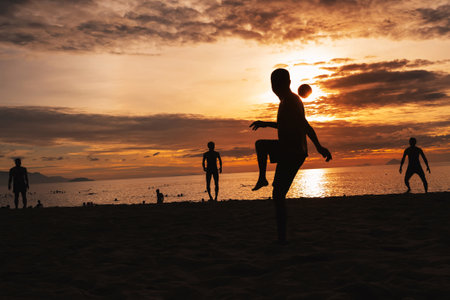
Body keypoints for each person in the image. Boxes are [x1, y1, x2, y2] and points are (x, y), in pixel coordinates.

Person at [250, 69, 332, 242]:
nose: (274, 86)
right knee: (278, 194)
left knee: (262, 147)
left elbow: (305, 126)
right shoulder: (287, 101)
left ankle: (282, 238)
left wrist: (319, 146)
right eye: (273, 83)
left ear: (287, 83)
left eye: (277, 82)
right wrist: (265, 123)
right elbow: (292, 125)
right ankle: (281, 237)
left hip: (292, 151)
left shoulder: (291, 100)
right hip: (290, 150)